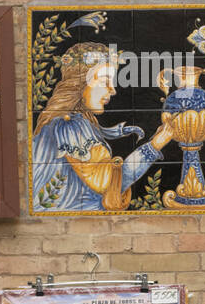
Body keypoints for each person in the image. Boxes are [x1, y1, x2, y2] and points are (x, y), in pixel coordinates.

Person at [32, 42, 175, 212]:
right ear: (80, 84)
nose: (112, 90)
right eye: (105, 81)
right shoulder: (69, 125)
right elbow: (108, 184)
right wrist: (155, 145)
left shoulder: (77, 120)